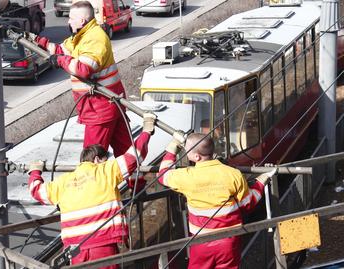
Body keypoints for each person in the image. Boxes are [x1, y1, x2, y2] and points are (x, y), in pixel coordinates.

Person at [27, 113, 156, 268]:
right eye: (104, 160)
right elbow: (134, 156)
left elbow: (37, 191)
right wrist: (146, 131)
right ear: (96, 160)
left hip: (74, 250)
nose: (106, 163)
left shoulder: (62, 182)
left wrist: (35, 171)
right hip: (102, 245)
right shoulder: (105, 171)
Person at [24, 1, 131, 157]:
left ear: (81, 21)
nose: (68, 21)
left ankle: (101, 181)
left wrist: (60, 60)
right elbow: (61, 50)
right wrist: (36, 40)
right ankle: (136, 180)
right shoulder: (82, 36)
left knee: (91, 161)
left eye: (71, 18)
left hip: (100, 108)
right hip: (108, 105)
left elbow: (83, 69)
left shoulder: (95, 38)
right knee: (126, 154)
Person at [157, 132, 277, 269]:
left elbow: (163, 175)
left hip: (201, 242)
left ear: (196, 156)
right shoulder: (233, 174)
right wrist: (261, 181)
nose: (185, 152)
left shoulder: (187, 177)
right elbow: (248, 204)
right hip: (229, 241)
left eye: (187, 150)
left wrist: (173, 146)